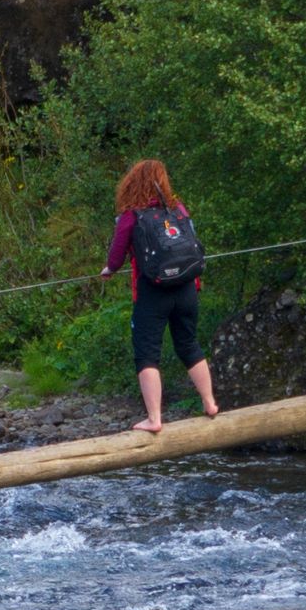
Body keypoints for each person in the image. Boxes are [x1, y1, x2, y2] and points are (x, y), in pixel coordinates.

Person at [101, 159, 219, 435]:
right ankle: (210, 403)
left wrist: (109, 269)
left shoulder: (132, 215)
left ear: (132, 183)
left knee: (147, 354)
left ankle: (154, 418)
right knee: (189, 344)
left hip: (152, 292)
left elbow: (117, 255)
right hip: (187, 288)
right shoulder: (178, 209)